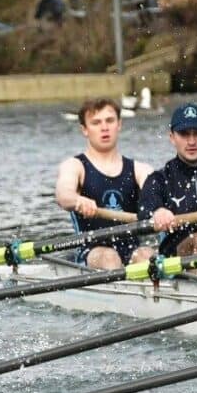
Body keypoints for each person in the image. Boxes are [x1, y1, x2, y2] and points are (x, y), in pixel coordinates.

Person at [54, 97, 155, 269]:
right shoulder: (75, 166)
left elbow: (158, 193)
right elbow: (63, 195)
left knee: (148, 256)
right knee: (109, 258)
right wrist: (78, 201)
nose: (104, 128)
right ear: (85, 130)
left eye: (110, 120)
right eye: (96, 122)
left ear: (119, 124)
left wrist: (160, 209)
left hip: (132, 249)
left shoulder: (140, 169)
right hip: (91, 251)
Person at [139, 102, 197, 278]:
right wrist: (158, 211)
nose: (191, 141)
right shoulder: (160, 178)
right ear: (172, 137)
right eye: (184, 134)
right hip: (176, 257)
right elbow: (144, 208)